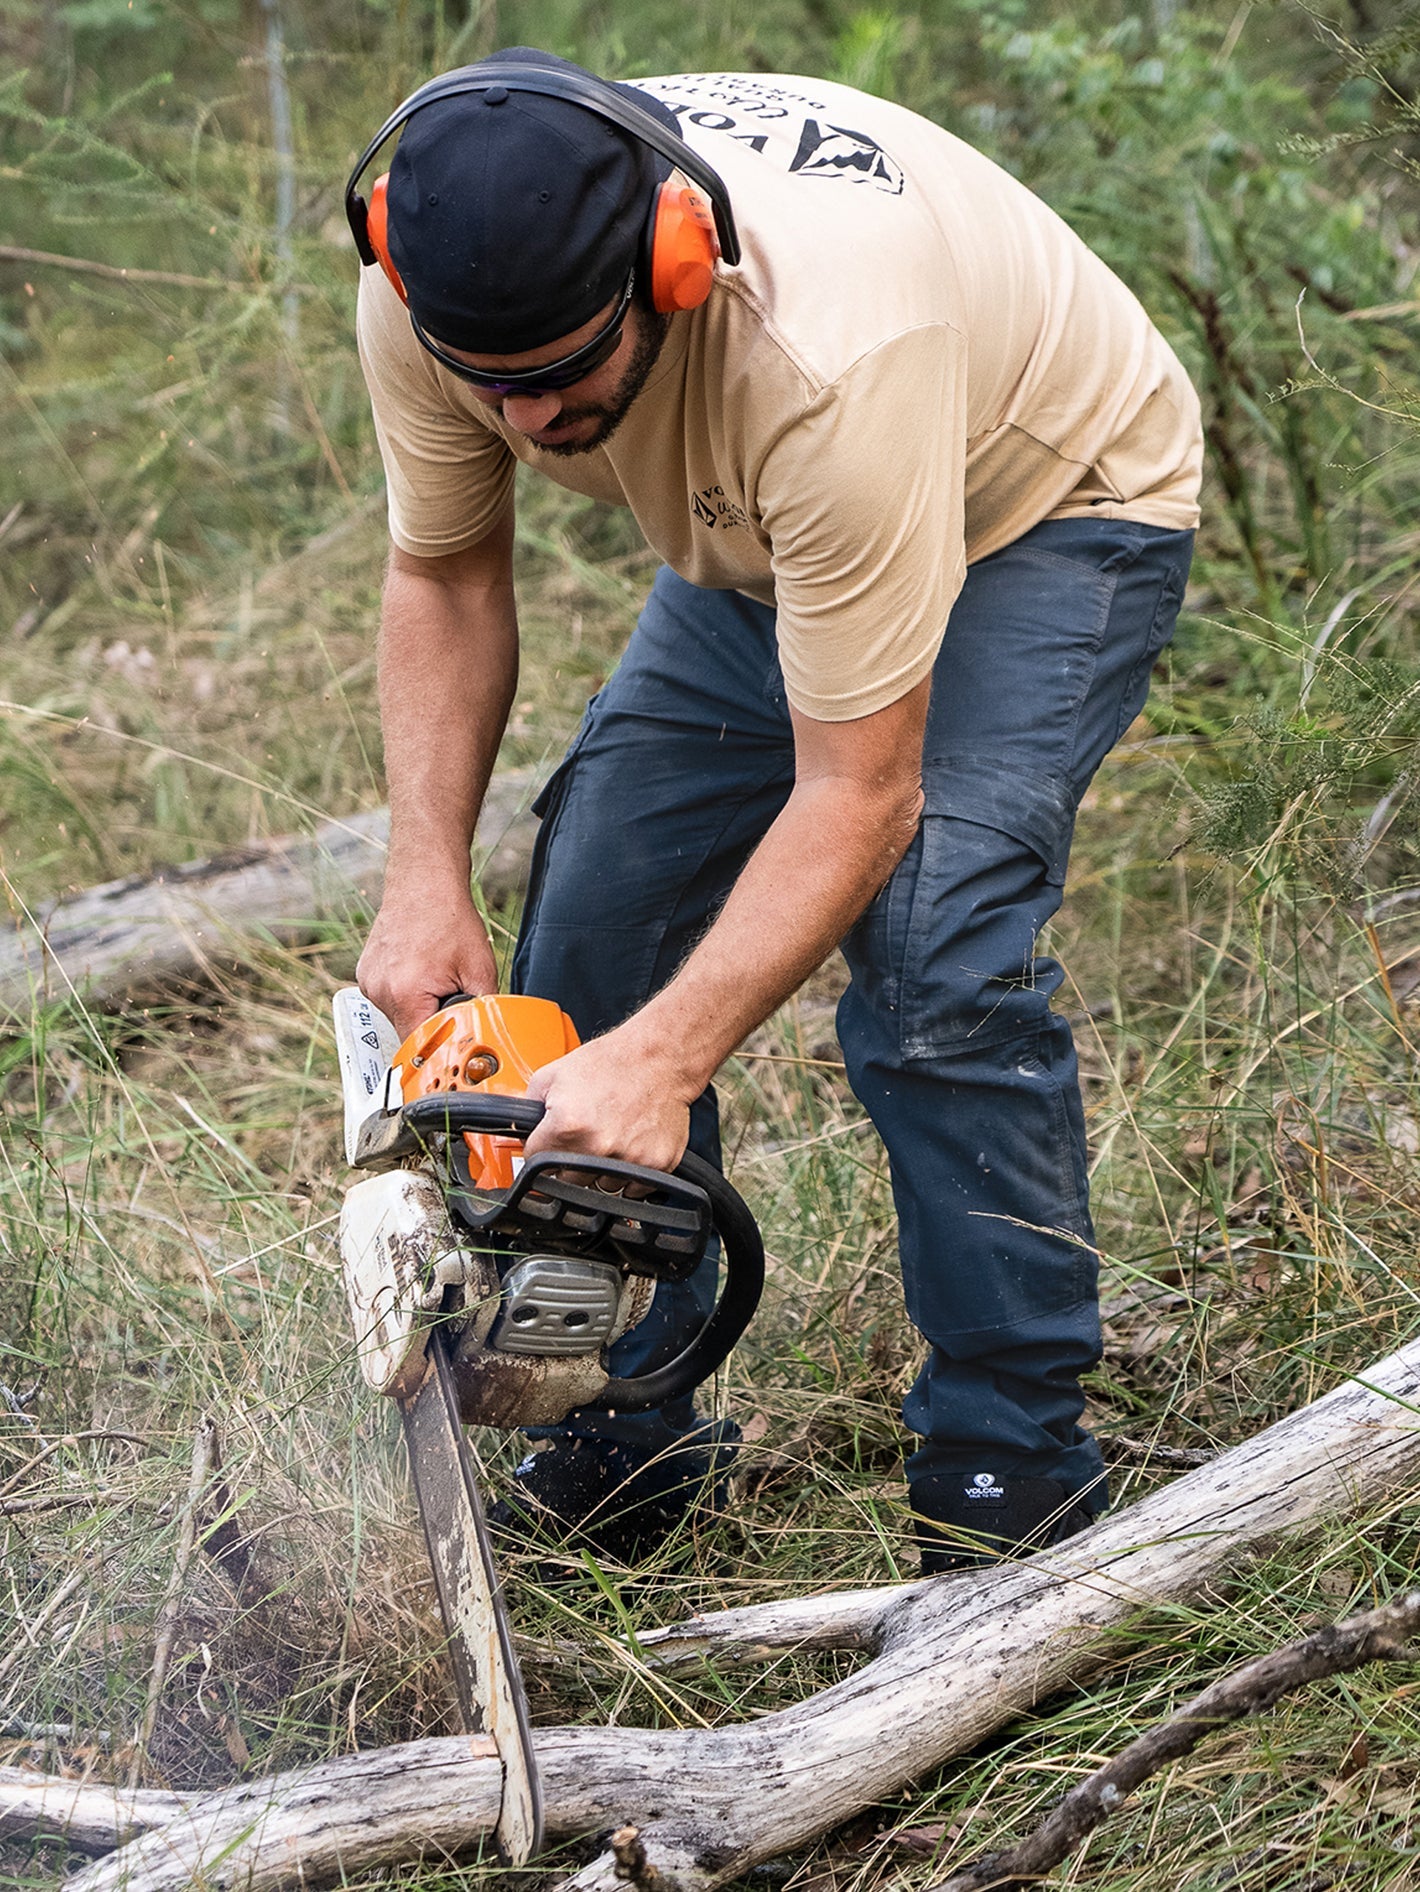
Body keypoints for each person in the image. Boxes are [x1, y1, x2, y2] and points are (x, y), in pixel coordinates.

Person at [348, 47, 1202, 1574]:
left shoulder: (832, 351)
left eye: (563, 372)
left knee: (939, 951)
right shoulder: (437, 292)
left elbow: (861, 795)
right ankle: (620, 1408)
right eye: (495, 383)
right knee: (598, 921)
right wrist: (423, 873)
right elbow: (446, 569)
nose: (531, 418)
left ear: (675, 267)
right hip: (784, 537)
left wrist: (673, 1061)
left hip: (1045, 505)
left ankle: (1015, 1470)